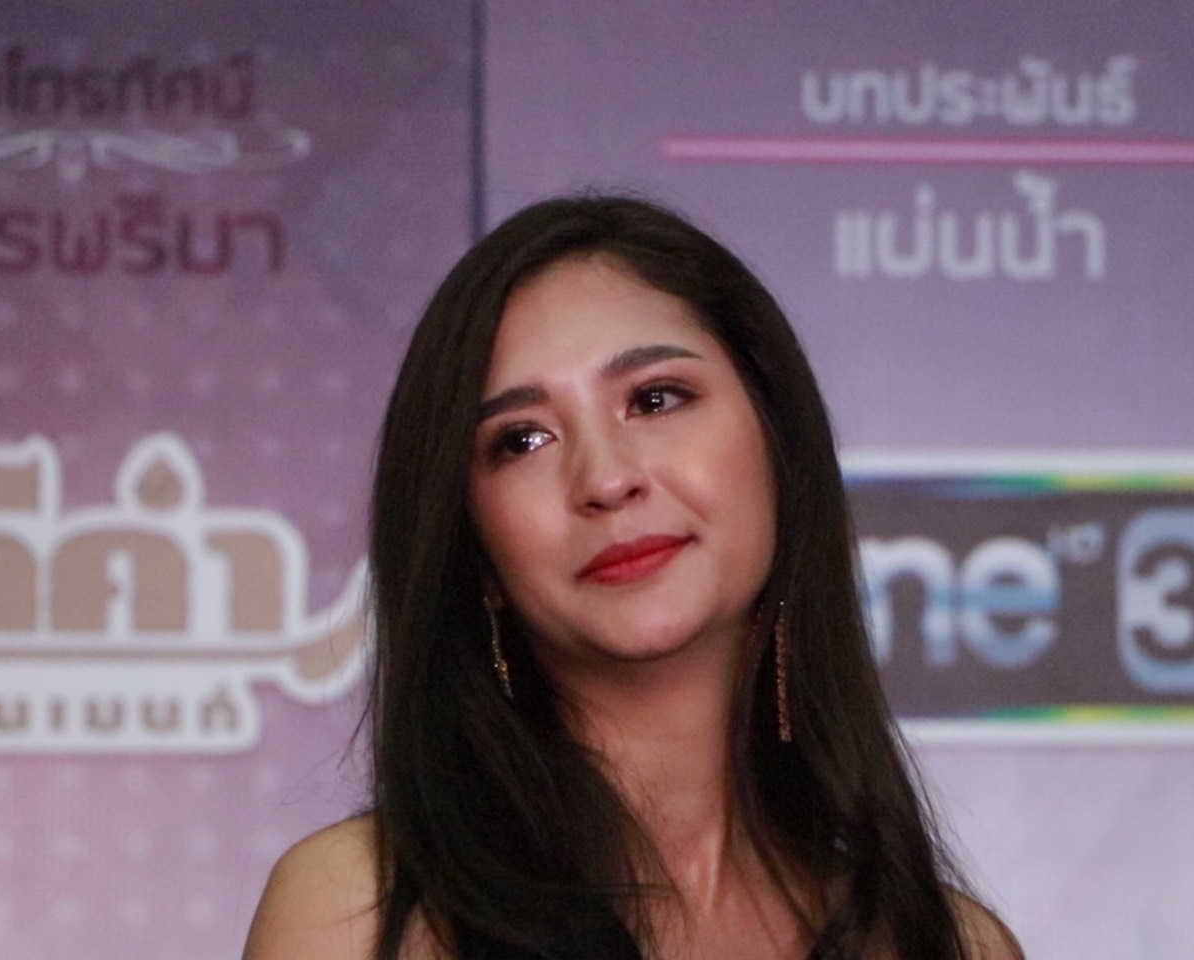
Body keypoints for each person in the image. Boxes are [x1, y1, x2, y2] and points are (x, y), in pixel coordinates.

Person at [243, 194, 1024, 960]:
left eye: (654, 399)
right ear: (473, 547)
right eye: (523, 440)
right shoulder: (353, 916)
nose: (606, 479)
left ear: (779, 446)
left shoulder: (953, 946)